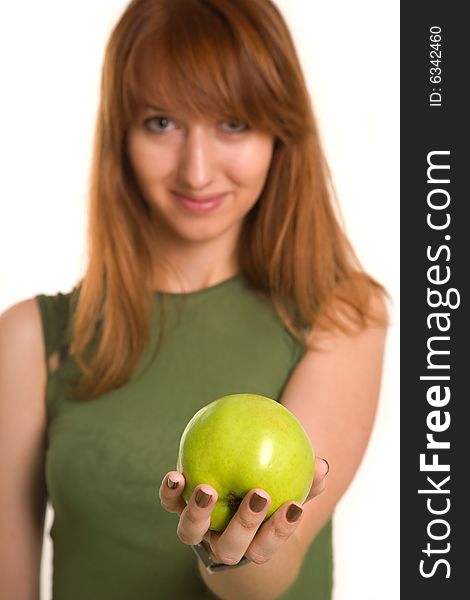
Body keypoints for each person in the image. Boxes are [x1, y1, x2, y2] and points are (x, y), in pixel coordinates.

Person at [0, 0, 388, 598]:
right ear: (121, 135)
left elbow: (271, 579)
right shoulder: (32, 337)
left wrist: (232, 553)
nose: (197, 171)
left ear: (279, 131)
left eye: (233, 123)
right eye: (161, 122)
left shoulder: (341, 315)